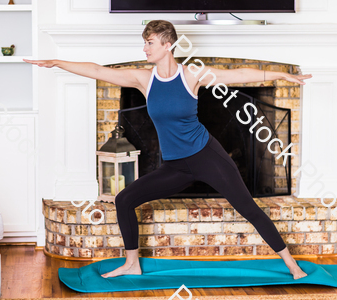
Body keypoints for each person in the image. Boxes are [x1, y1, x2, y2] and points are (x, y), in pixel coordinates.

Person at [24, 20, 312, 280]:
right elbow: (98, 71)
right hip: (175, 166)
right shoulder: (144, 79)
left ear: (167, 45)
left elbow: (239, 74)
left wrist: (281, 75)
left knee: (248, 208)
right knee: (124, 199)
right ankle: (132, 263)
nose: (145, 48)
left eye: (150, 42)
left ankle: (292, 266)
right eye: (145, 42)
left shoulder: (192, 75)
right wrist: (56, 61)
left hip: (206, 156)